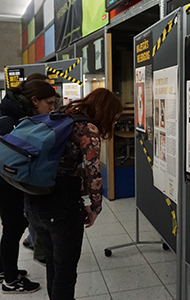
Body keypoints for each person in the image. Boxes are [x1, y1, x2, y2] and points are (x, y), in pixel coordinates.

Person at [23, 88, 122, 300]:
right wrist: (95, 208)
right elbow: (93, 175)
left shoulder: (61, 116)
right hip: (62, 208)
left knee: (53, 264)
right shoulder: (88, 129)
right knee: (65, 273)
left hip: (34, 202)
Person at [0, 79, 56, 294]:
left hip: (5, 183)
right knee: (13, 229)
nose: (51, 108)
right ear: (34, 100)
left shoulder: (10, 112)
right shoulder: (11, 121)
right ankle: (11, 282)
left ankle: (4, 270)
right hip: (7, 185)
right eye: (49, 103)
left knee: (11, 228)